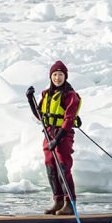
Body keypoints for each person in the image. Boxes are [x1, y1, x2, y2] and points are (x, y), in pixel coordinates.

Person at [26, 60, 81, 215]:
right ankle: (57, 201)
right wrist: (30, 99)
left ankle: (69, 204)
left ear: (66, 76)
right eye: (55, 75)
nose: (57, 78)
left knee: (63, 168)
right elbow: (40, 116)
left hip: (63, 135)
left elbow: (69, 120)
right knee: (51, 168)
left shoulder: (70, 96)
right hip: (49, 134)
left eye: (61, 74)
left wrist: (58, 139)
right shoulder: (47, 94)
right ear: (51, 76)